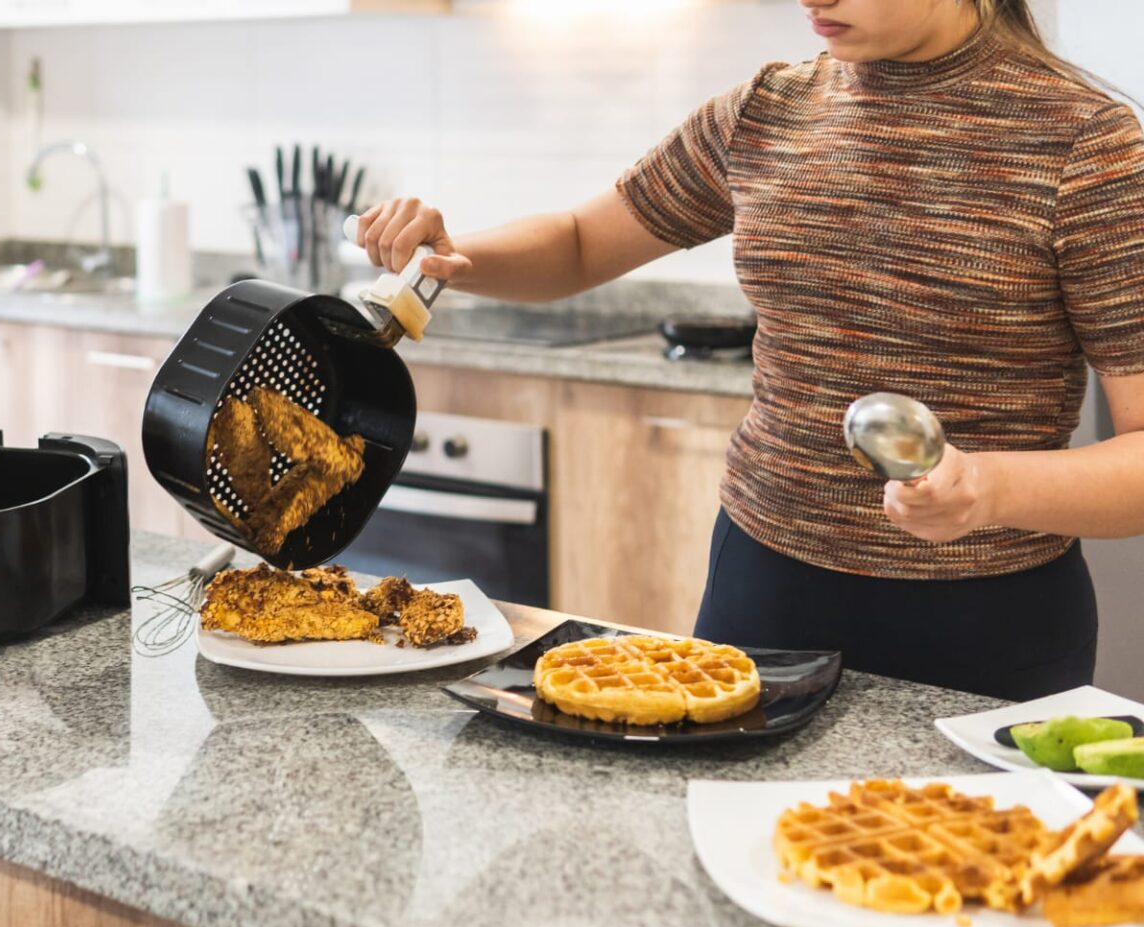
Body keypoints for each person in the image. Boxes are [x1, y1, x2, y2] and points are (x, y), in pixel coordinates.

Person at [353, 0, 1144, 699]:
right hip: (764, 588)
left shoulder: (1088, 145)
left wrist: (987, 487)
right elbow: (583, 241)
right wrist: (453, 254)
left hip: (985, 622)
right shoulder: (765, 110)